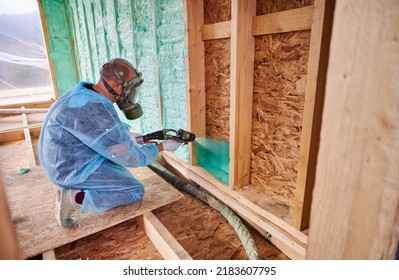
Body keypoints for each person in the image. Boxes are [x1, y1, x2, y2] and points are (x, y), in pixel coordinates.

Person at [38, 58, 181, 229]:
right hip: (69, 169)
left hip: (66, 158)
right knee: (133, 190)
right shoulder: (94, 107)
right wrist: (161, 147)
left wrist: (129, 137)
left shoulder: (87, 93)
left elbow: (99, 132)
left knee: (121, 168)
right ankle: (74, 198)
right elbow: (130, 158)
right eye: (130, 89)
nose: (131, 95)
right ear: (116, 85)